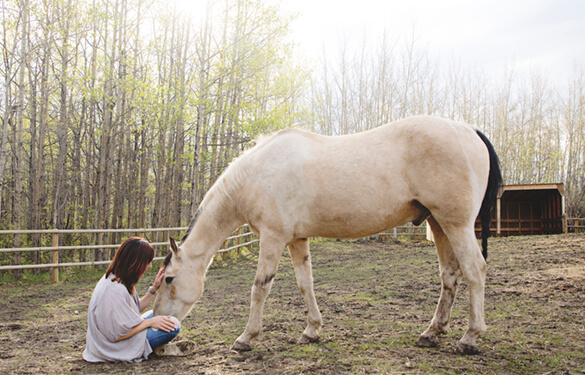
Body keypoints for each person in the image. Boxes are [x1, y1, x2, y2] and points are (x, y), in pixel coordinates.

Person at [82, 237, 181, 362]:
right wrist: (149, 323)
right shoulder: (113, 291)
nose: (149, 266)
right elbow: (116, 335)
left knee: (164, 314)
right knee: (174, 325)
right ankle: (151, 347)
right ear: (136, 262)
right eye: (147, 262)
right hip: (115, 347)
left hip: (121, 337)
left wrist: (154, 289)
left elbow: (133, 308)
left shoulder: (119, 279)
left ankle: (156, 346)